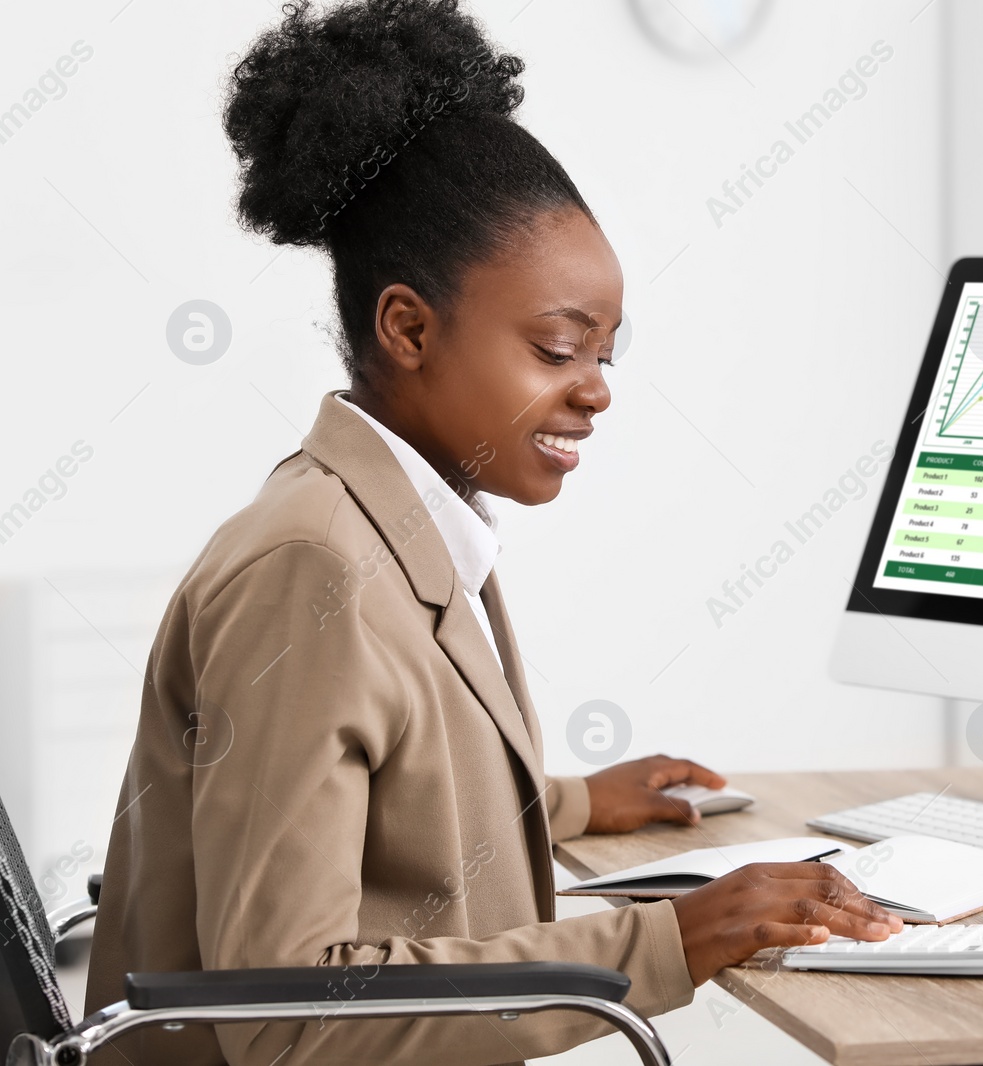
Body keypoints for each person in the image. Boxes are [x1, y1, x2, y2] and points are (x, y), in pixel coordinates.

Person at [83, 1, 900, 1062]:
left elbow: (376, 790)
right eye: (558, 349)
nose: (596, 393)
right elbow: (278, 1012)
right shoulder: (312, 566)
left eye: (606, 355)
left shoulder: (398, 522)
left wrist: (564, 801)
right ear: (409, 328)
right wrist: (670, 938)